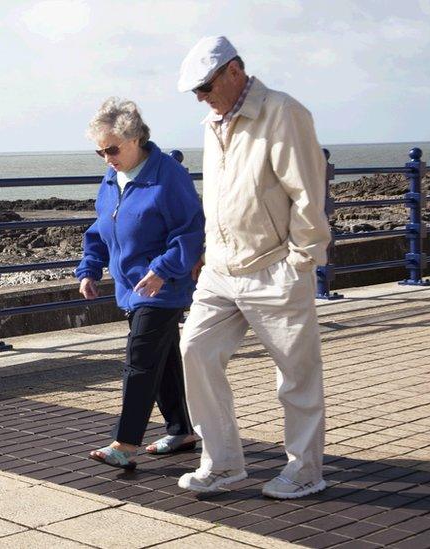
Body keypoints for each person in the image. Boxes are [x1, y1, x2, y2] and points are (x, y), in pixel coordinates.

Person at [175, 36, 330, 499]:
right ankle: (223, 463)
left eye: (205, 87)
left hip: (273, 265)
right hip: (221, 269)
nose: (201, 98)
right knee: (195, 351)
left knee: (296, 376)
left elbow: (307, 191)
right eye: (195, 92)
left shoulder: (283, 112)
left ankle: (305, 471)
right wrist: (208, 250)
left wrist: (301, 260)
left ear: (234, 72)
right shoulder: (213, 121)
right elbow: (221, 196)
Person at [76, 97, 205, 470]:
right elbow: (102, 228)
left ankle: (126, 443)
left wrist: (163, 269)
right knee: (161, 360)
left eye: (112, 149)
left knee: (139, 361)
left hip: (162, 287)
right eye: (99, 151)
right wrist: (89, 267)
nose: (106, 158)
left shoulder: (167, 175)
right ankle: (181, 430)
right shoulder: (113, 176)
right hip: (131, 288)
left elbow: (189, 231)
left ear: (135, 139)